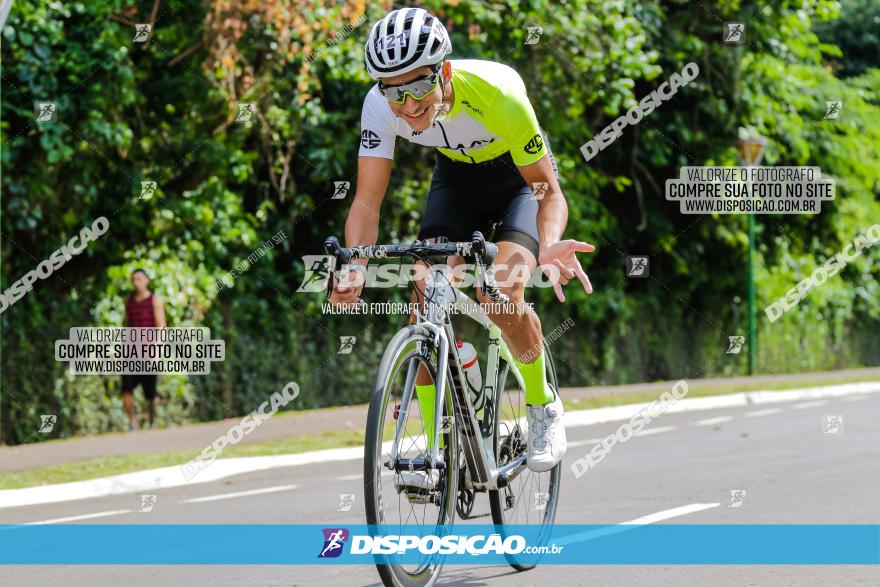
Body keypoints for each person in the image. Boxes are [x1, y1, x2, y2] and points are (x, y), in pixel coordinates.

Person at [329, 7, 594, 490]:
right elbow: (367, 203)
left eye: (417, 86)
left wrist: (550, 243)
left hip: (519, 184)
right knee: (424, 295)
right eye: (393, 90)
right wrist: (356, 265)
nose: (408, 105)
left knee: (500, 294)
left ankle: (542, 404)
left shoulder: (500, 97)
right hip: (455, 178)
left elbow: (546, 190)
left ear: (444, 71)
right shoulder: (377, 106)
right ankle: (433, 447)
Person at [122, 268, 166, 430]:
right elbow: (126, 325)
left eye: (139, 279)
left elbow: (161, 326)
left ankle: (152, 422)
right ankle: (133, 423)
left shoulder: (155, 300)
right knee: (126, 391)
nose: (136, 282)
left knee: (151, 395)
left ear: (147, 280)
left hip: (149, 354)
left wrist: (156, 350)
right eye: (134, 279)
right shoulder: (129, 301)